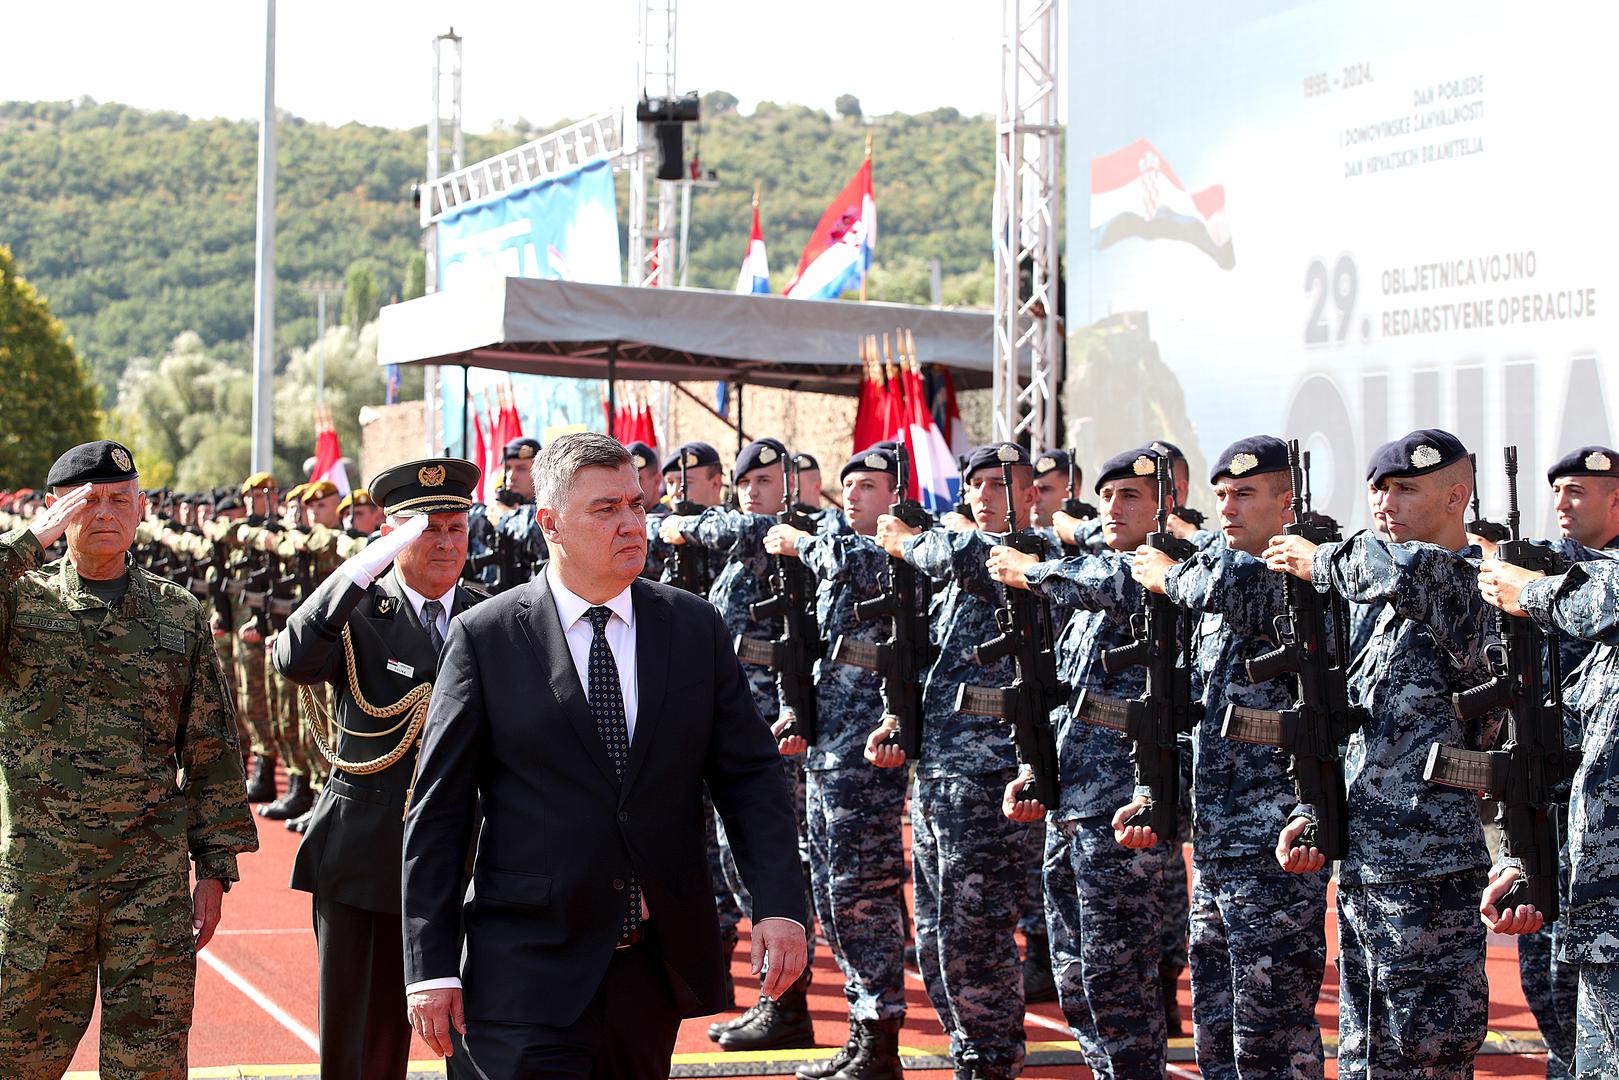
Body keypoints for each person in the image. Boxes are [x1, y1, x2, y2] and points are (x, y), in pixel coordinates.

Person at [402, 432, 808, 1079]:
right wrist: (429, 967)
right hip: (523, 965)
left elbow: (750, 777)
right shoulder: (487, 637)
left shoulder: (691, 626)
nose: (630, 524)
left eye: (635, 505)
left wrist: (779, 905)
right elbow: (439, 813)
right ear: (549, 523)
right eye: (604, 509)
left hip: (648, 969)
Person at [0, 440, 258, 1078]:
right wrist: (28, 541)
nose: (105, 513)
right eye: (89, 502)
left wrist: (215, 868)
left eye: (120, 499)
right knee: (16, 1056)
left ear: (142, 508)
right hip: (39, 880)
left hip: (149, 883)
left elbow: (210, 749)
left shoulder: (178, 613)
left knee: (151, 1063)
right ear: (60, 513)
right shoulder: (21, 605)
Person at [1263, 429, 1504, 1077]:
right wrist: (1312, 809)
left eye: (1404, 488)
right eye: (1376, 488)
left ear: (1456, 497)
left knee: (1423, 1057)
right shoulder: (1375, 605)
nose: (1383, 502)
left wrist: (1317, 559)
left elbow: (1398, 568)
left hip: (1428, 872)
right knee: (1366, 1057)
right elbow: (1348, 728)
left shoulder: (1465, 586)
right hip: (1366, 864)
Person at [273, 457, 485, 1080]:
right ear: (393, 535)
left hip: (468, 862)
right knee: (363, 1051)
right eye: (428, 530)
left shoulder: (490, 614)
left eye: (455, 528)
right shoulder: (357, 611)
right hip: (369, 857)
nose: (445, 543)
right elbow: (292, 657)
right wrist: (364, 567)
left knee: (484, 1046)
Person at [1127, 436, 1329, 1078]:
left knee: (1275, 1027)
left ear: (1287, 500)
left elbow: (1224, 582)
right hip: (1218, 837)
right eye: (1221, 496)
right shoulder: (1215, 577)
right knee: (1219, 1022)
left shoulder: (1300, 577)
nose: (1229, 508)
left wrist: (1170, 572)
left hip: (1275, 841)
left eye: (1245, 494)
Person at [988, 443, 1180, 1076]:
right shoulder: (1091, 579)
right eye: (1108, 496)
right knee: (1077, 978)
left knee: (1118, 975)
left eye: (1132, 496)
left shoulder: (1159, 572)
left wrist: (1030, 571)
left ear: (1164, 506)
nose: (1114, 507)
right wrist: (1032, 770)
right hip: (1073, 805)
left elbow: (1108, 581)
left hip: (1124, 809)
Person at [868, 441, 1052, 1080]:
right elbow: (933, 665)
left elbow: (970, 556)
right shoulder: (951, 566)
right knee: (937, 931)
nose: (985, 494)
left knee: (978, 933)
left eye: (1003, 485)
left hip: (994, 778)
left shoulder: (1038, 559)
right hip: (941, 774)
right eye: (976, 484)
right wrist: (898, 720)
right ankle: (967, 1048)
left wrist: (907, 541)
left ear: (1033, 495)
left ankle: (992, 1059)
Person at [661, 437, 819, 1051]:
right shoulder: (736, 548)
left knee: (771, 861)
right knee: (729, 862)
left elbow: (733, 531)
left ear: (794, 485)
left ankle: (788, 1004)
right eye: (748, 484)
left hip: (773, 735)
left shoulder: (790, 540)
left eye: (768, 481)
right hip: (729, 726)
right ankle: (773, 998)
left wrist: (678, 524)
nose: (756, 492)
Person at [764, 446, 911, 1080]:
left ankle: (881, 1040)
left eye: (870, 486)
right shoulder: (835, 547)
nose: (854, 495)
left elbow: (840, 553)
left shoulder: (896, 552)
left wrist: (798, 539)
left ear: (896, 496)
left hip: (868, 758)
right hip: (830, 753)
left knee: (861, 893)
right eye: (848, 485)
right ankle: (860, 1029)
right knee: (831, 892)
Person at [1478, 545, 1619, 1078]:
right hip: (1600, 918)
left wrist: (1529, 593)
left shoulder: (1600, 602)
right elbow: (1563, 763)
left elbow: (1597, 599)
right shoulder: (1606, 650)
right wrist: (1519, 857)